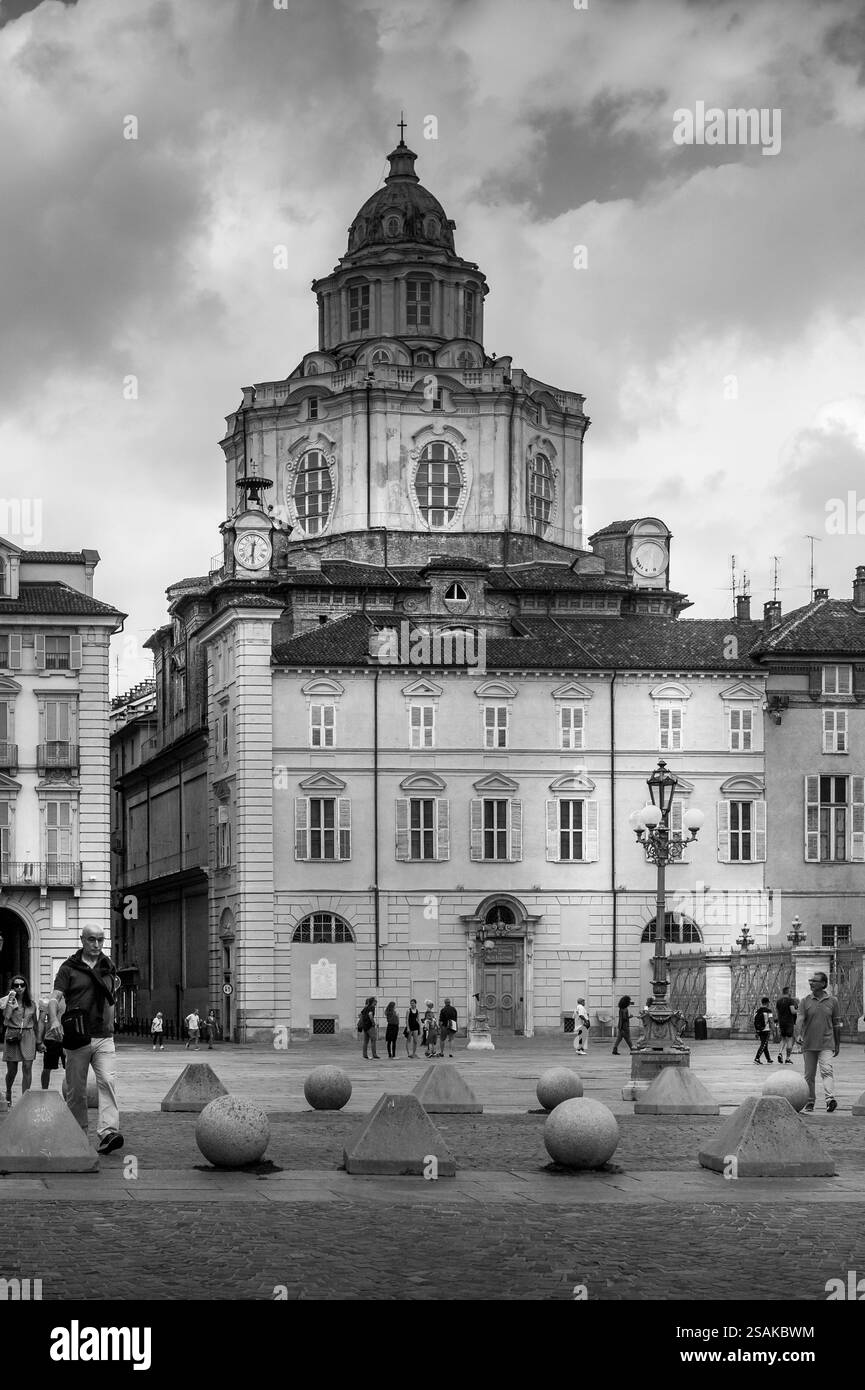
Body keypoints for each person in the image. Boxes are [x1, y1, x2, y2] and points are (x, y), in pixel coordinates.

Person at [46, 927, 123, 1155]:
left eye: (100, 940)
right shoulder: (69, 968)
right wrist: (54, 1021)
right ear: (82, 940)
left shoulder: (108, 967)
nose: (97, 944)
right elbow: (54, 998)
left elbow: (112, 997)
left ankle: (108, 1132)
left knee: (108, 1082)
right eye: (92, 939)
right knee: (76, 1091)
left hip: (104, 1037)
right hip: (77, 1037)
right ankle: (77, 1134)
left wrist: (112, 1023)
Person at [795, 971, 841, 1113]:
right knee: (809, 1075)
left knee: (827, 1070)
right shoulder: (805, 1001)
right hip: (808, 1043)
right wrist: (798, 1034)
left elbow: (836, 1024)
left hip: (826, 1042)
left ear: (823, 984)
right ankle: (810, 1101)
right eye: (810, 981)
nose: (811, 983)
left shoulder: (833, 1001)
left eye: (814, 981)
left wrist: (837, 1043)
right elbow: (800, 1019)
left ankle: (829, 1099)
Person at [3, 976, 41, 1107]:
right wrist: (11, 1003)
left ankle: (25, 1098)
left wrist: (39, 1041)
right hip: (12, 1034)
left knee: (27, 1066)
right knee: (12, 1070)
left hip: (28, 1034)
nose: (19, 988)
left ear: (26, 987)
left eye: (22, 985)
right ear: (12, 987)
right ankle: (8, 1091)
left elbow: (35, 1023)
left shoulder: (32, 1004)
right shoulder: (8, 1001)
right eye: (16, 985)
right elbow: (6, 1018)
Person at [38, 995, 65, 1089]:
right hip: (51, 1039)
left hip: (68, 1039)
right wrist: (39, 1041)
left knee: (71, 1069)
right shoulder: (46, 999)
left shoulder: (73, 997)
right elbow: (41, 1021)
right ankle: (44, 1091)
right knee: (46, 1069)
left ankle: (71, 1095)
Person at [775, 985, 798, 1063]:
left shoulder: (778, 1001)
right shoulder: (790, 1000)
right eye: (790, 991)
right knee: (789, 1039)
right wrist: (799, 1010)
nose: (791, 993)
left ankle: (780, 1053)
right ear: (788, 992)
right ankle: (787, 1058)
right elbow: (792, 1011)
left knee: (783, 1039)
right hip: (789, 1022)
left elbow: (777, 1012)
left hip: (781, 1022)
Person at [753, 996, 773, 1064]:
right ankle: (757, 1058)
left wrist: (756, 1031)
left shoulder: (757, 1011)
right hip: (766, 1030)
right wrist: (773, 1030)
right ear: (767, 1003)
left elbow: (755, 1021)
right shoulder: (768, 1011)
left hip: (759, 1030)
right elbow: (770, 1021)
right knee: (763, 1044)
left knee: (765, 1044)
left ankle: (768, 1059)